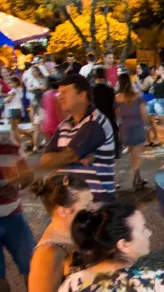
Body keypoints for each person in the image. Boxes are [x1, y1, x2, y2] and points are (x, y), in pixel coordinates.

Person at [27, 174, 92, 292]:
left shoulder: (78, 231)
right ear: (63, 211)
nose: (93, 208)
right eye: (86, 205)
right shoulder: (48, 253)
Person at [41, 74, 117, 203]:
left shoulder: (95, 122)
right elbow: (46, 160)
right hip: (70, 203)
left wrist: (66, 157)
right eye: (59, 93)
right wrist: (74, 158)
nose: (60, 97)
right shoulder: (64, 125)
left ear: (82, 96)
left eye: (64, 92)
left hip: (96, 204)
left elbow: (70, 156)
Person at [0, 132, 33, 292]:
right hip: (13, 217)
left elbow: (28, 176)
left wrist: (17, 183)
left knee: (31, 266)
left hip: (14, 217)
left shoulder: (10, 147)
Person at [115, 72, 150, 190]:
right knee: (136, 156)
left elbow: (118, 114)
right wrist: (147, 125)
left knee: (133, 154)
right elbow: (143, 113)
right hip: (137, 126)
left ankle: (138, 179)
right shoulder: (137, 95)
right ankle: (134, 181)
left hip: (125, 127)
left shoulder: (117, 97)